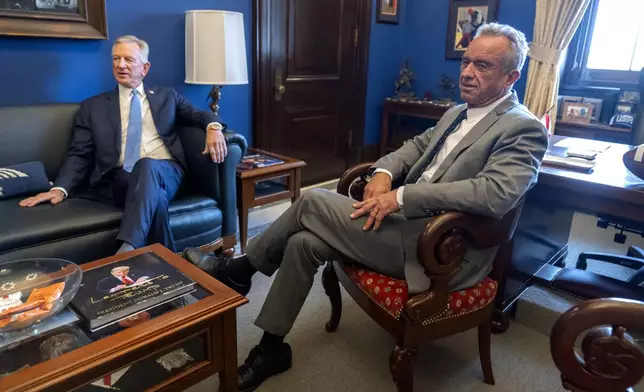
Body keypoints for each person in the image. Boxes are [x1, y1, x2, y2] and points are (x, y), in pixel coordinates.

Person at [184, 23, 548, 391]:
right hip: (403, 226)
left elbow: (495, 193)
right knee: (302, 244)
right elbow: (415, 147)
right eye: (466, 62)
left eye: (482, 66)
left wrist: (402, 197)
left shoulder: (523, 128)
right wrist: (383, 174)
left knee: (310, 200)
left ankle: (239, 270)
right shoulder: (457, 112)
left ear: (511, 76)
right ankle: (271, 348)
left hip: (442, 249)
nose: (467, 73)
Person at [18, 35, 228, 254]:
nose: (120, 65)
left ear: (145, 68)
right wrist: (60, 188)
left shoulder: (167, 97)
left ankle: (128, 250)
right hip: (121, 178)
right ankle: (162, 261)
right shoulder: (93, 107)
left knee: (148, 166)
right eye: (116, 59)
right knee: (155, 196)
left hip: (167, 172)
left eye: (128, 59)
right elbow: (79, 154)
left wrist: (213, 128)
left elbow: (199, 114)